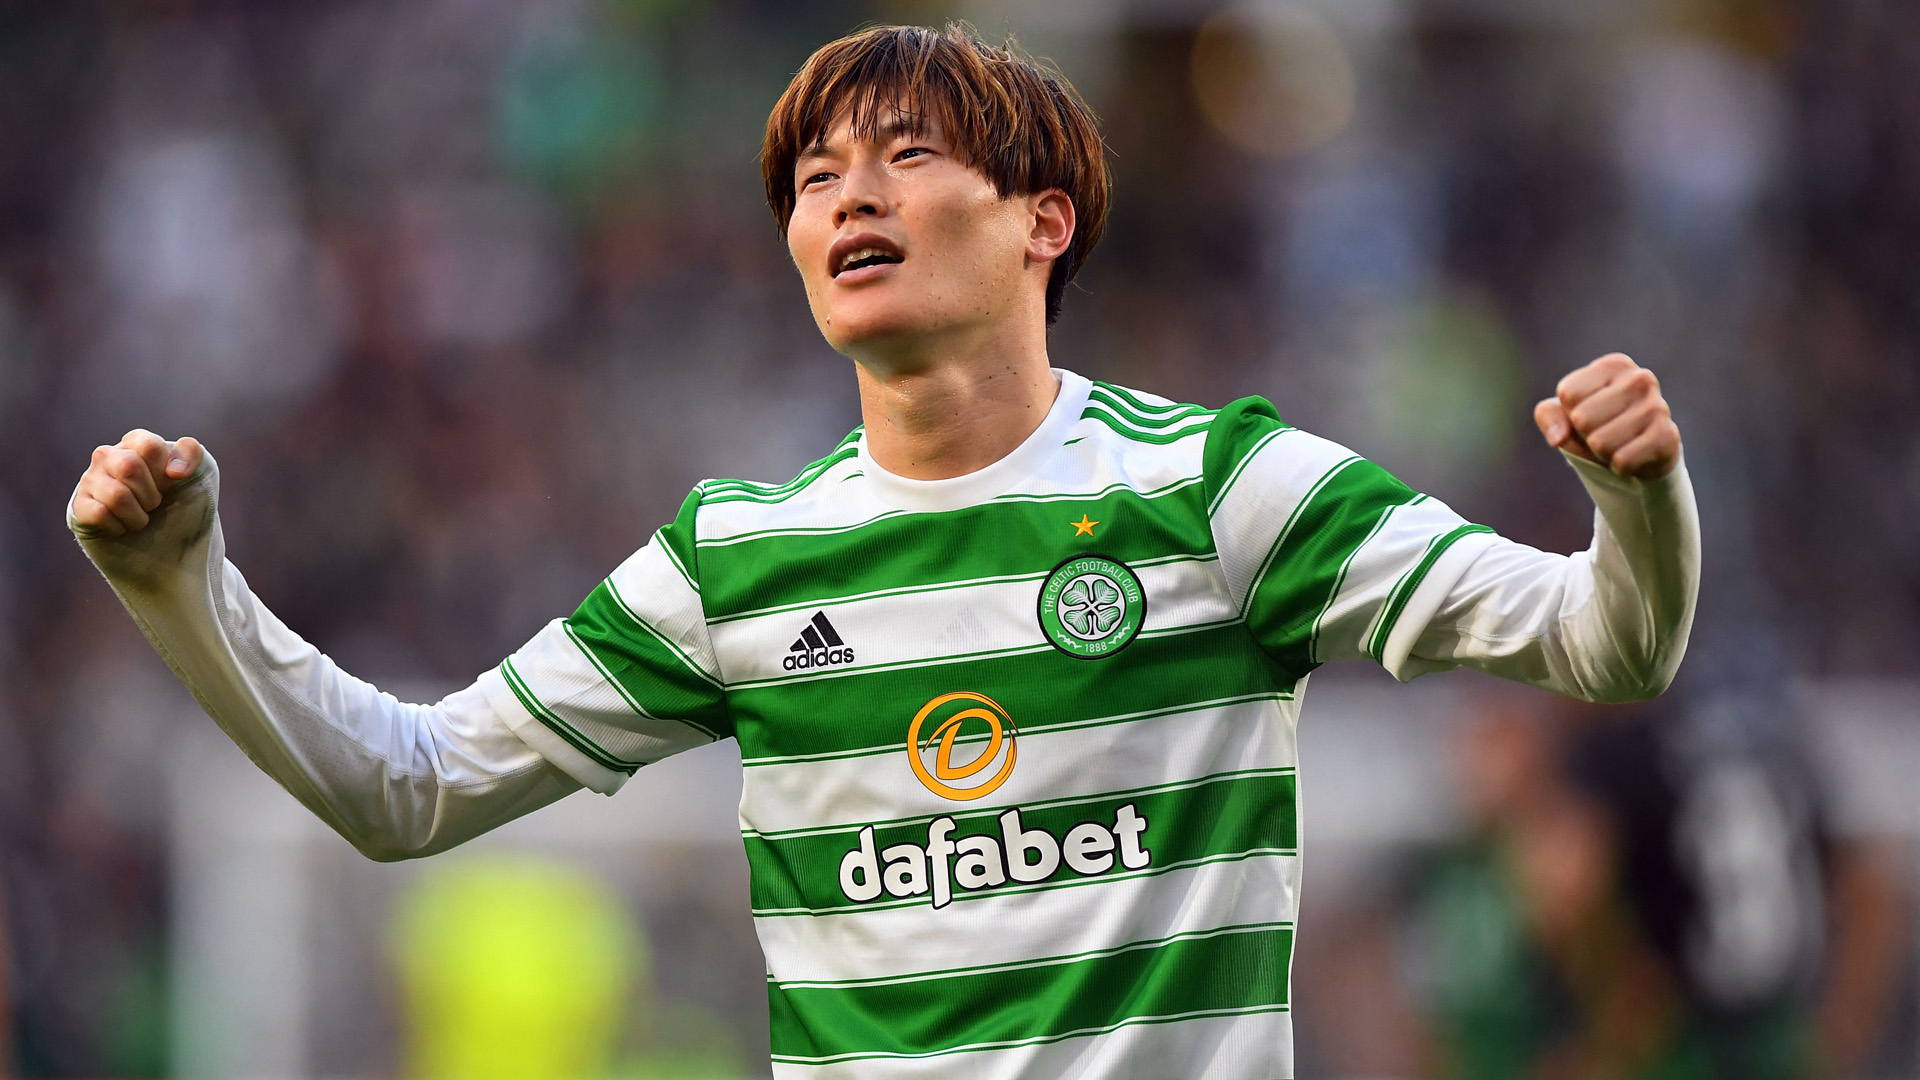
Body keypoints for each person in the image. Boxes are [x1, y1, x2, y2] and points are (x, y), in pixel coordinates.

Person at [66, 23, 1698, 1080]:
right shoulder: (735, 560)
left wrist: (1638, 500)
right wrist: (178, 583)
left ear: (1044, 220)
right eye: (815, 178)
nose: (849, 197)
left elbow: (1606, 644)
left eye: (908, 157)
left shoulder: (1223, 490)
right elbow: (405, 788)